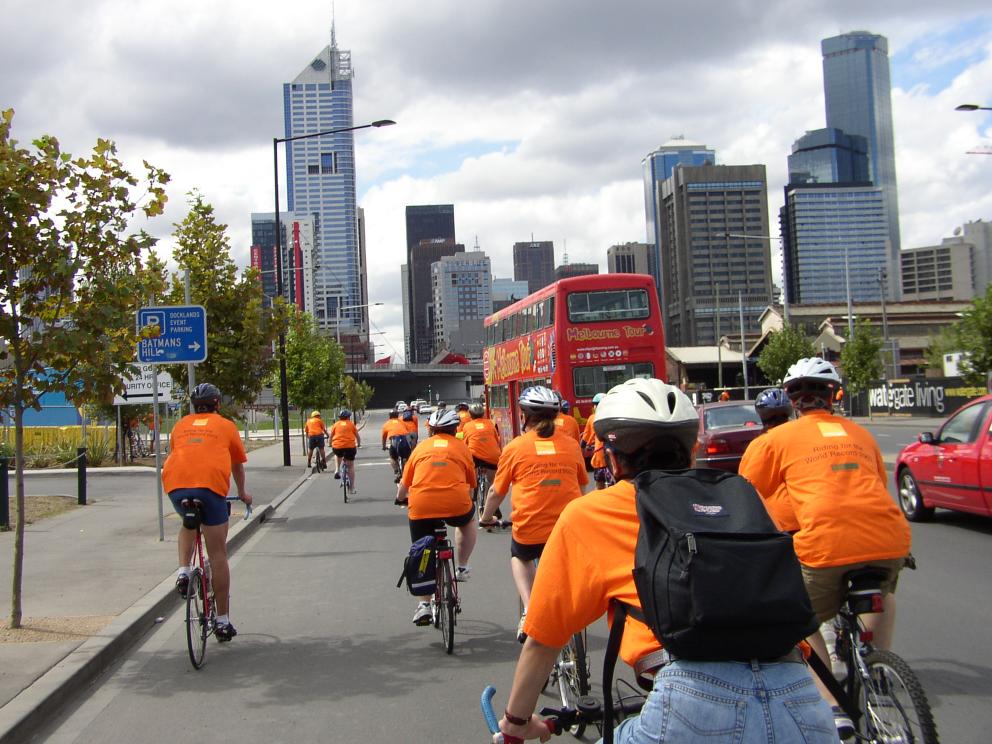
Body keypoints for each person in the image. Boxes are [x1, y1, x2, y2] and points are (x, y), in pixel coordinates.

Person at [493, 378, 835, 744]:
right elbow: (799, 616)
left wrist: (516, 724)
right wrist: (833, 709)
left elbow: (544, 640)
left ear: (611, 457)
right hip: (799, 699)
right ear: (692, 450)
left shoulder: (591, 514)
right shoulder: (744, 497)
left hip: (690, 701)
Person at [739, 357, 911, 738]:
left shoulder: (776, 439)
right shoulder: (861, 434)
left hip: (825, 542)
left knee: (802, 616)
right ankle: (877, 670)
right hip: (888, 536)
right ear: (833, 396)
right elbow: (878, 483)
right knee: (883, 589)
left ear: (792, 401)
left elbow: (747, 490)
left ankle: (833, 703)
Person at [480, 386, 588, 642]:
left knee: (520, 556)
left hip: (530, 529)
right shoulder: (571, 446)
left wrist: (486, 517)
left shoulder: (516, 447)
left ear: (524, 416)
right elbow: (582, 487)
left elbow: (496, 491)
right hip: (567, 527)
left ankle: (530, 609)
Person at [162, 383, 252, 642]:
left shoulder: (180, 426)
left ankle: (183, 571)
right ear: (217, 404)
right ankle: (222, 621)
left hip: (176, 485)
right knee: (217, 554)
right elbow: (237, 466)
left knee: (188, 523)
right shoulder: (225, 426)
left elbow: (177, 454)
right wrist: (243, 493)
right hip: (210, 487)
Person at [395, 409, 478, 625]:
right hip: (456, 503)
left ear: (431, 430)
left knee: (423, 546)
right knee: (468, 520)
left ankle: (423, 605)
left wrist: (400, 498)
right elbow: (472, 484)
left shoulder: (420, 448)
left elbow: (404, 485)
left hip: (422, 505)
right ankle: (462, 566)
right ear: (454, 429)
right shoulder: (462, 448)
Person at [749, 388, 797, 533]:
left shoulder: (762, 444)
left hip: (782, 524)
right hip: (813, 515)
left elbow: (750, 486)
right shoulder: (806, 437)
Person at [329, 409, 361, 492]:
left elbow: (331, 436)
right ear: (348, 417)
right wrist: (359, 444)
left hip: (338, 446)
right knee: (350, 466)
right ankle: (352, 488)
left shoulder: (335, 425)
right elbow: (357, 436)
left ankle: (337, 469)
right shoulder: (351, 424)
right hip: (350, 447)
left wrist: (329, 444)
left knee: (337, 454)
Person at [581, 392, 608, 489]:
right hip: (614, 460)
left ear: (597, 406)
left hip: (600, 459)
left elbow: (585, 438)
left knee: (599, 486)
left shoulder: (593, 418)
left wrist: (582, 448)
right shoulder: (613, 416)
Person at [381, 410, 411, 482]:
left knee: (392, 457)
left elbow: (384, 438)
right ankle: (406, 471)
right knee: (407, 457)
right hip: (404, 440)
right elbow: (408, 433)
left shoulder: (386, 424)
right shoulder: (402, 422)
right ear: (397, 415)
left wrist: (384, 446)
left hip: (395, 440)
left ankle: (397, 471)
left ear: (389, 416)